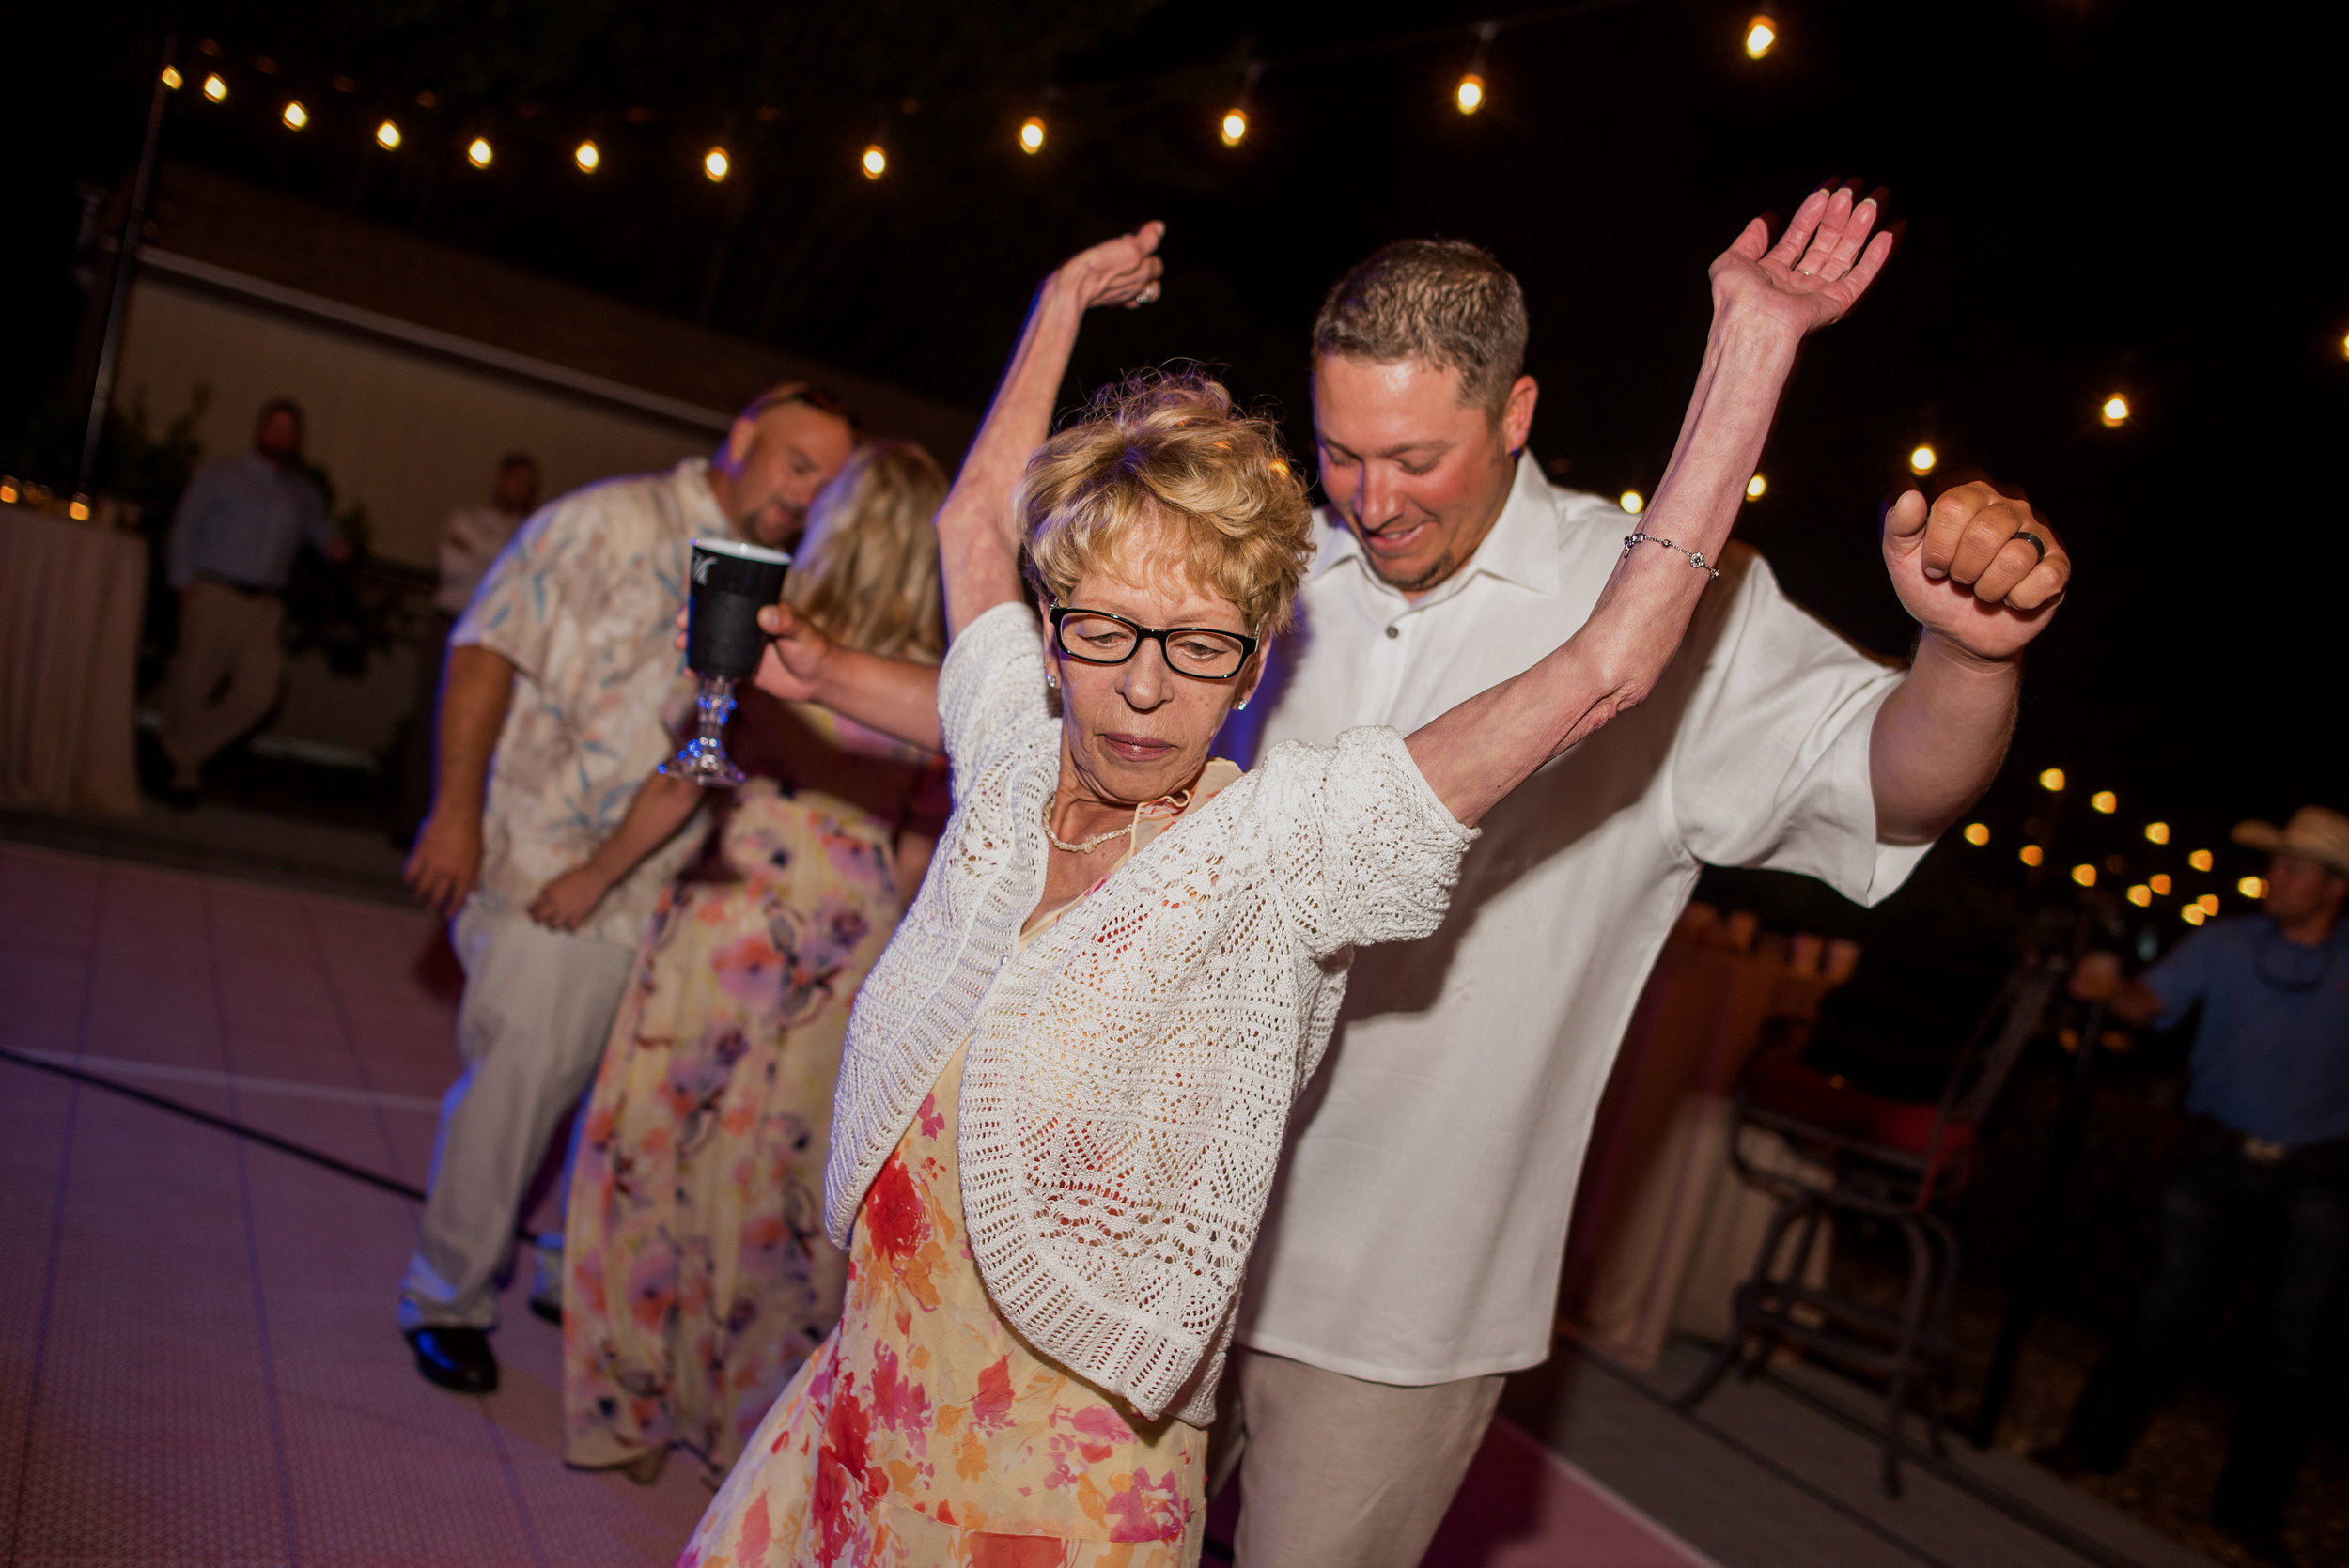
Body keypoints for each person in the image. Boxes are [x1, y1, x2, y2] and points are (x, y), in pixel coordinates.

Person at [679, 186, 1921, 1564]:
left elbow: (1607, 667)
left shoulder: (1274, 855)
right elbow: (975, 522)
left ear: (1261, 662)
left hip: (1056, 1493)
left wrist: (1752, 347)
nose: (1145, 689)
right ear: (1050, 631)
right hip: (862, 1400)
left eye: (1202, 647)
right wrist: (1059, 309)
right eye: (1108, 633)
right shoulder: (1011, 755)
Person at [1195, 219, 2073, 1560]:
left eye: (1417, 458)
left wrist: (1968, 660)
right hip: (1168, 1232)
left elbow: (1893, 784)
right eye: (1341, 453)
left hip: (1403, 1293)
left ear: (1515, 414)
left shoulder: (1652, 591)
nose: (1372, 501)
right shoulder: (1278, 570)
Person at [397, 383, 857, 1396]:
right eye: (795, 462)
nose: (807, 491)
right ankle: (446, 1296)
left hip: (667, 887)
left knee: (625, 1107)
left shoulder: (784, 582)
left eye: (826, 479)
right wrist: (456, 812)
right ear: (740, 438)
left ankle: (573, 1277)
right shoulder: (609, 518)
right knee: (517, 1091)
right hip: (540, 858)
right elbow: (483, 647)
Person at [548, 441, 954, 1486]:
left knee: (653, 1147)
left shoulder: (770, 630)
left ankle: (632, 1402)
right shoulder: (941, 679)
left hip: (732, 909)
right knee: (781, 1189)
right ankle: (748, 1436)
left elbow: (688, 772)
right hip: (850, 931)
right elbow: (920, 844)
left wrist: (595, 875)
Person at [2041, 804, 2349, 1567]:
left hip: (2316, 1173)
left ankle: (2251, 1510)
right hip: (2215, 1158)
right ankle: (2092, 1443)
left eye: (2294, 867)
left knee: (2292, 1348)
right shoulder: (2226, 941)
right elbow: (2149, 1001)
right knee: (2165, 1307)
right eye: (2275, 861)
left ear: (2335, 887)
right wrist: (2108, 986)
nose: (2274, 876)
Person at [159, 396, 349, 805]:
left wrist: (334, 544)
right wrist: (182, 583)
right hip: (215, 591)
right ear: (259, 429)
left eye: (289, 431)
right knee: (194, 684)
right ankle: (183, 777)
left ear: (298, 440)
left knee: (260, 692)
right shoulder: (220, 474)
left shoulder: (303, 491)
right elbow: (184, 529)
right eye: (274, 427)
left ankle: (179, 749)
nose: (280, 436)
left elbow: (320, 529)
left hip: (265, 604)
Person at [400, 452, 543, 842]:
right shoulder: (465, 520)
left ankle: (468, 827)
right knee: (434, 719)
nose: (521, 489)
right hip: (452, 627)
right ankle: (414, 819)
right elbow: (458, 570)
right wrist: (504, 565)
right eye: (516, 479)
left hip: (501, 637)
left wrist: (485, 558)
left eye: (529, 484)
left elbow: (525, 585)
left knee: (487, 728)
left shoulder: (532, 532)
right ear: (499, 479)